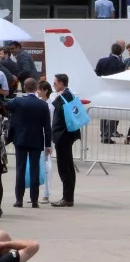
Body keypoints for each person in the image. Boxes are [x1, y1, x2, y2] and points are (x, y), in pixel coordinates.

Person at [6, 79, 49, 210]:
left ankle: (19, 199)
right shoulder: (42, 105)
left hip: (21, 140)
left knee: (20, 170)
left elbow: (5, 106)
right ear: (36, 88)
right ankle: (34, 200)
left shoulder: (17, 102)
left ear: (24, 87)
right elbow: (47, 127)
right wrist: (48, 144)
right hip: (36, 141)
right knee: (34, 170)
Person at [45, 74, 82, 209]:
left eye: (55, 83)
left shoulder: (64, 95)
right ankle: (68, 197)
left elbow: (61, 112)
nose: (53, 85)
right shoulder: (68, 93)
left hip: (63, 136)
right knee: (68, 166)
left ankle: (67, 198)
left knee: (64, 167)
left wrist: (56, 99)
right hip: (66, 135)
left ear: (61, 83)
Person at [95, 42, 126, 144]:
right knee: (113, 114)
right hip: (115, 91)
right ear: (121, 51)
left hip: (103, 90)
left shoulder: (102, 61)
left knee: (104, 113)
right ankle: (107, 135)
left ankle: (103, 132)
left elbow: (97, 74)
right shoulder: (120, 64)